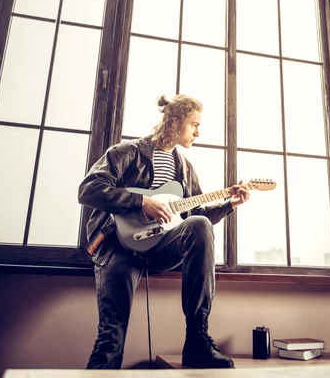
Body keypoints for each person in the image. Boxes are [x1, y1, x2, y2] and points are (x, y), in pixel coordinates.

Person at [78, 94, 250, 370]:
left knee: (200, 225)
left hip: (159, 248)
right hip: (117, 247)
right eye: (194, 124)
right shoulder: (125, 152)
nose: (198, 132)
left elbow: (196, 219)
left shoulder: (184, 168)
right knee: (112, 336)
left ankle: (197, 340)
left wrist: (230, 204)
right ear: (176, 121)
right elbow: (88, 190)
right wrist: (140, 201)